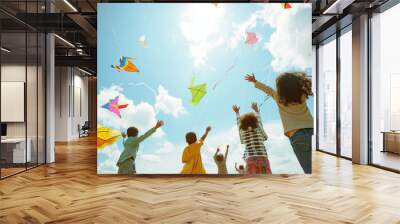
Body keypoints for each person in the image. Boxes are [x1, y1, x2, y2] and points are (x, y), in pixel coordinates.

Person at [245, 72, 313, 174]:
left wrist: (255, 81)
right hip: (313, 131)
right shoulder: (302, 94)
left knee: (309, 170)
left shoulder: (278, 97)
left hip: (297, 136)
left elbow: (267, 89)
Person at [233, 103, 272, 175]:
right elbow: (259, 119)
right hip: (262, 157)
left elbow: (238, 123)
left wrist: (237, 113)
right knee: (267, 179)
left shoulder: (243, 131)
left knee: (253, 180)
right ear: (255, 121)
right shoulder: (258, 128)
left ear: (242, 123)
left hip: (250, 158)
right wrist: (256, 110)